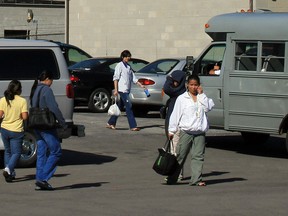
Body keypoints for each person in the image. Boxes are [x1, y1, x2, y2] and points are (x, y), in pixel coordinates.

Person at [166, 75, 214, 186]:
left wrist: (201, 94)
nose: (193, 87)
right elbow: (175, 115)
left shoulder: (203, 98)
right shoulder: (182, 98)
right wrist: (171, 130)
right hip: (186, 131)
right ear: (187, 85)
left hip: (199, 132)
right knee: (180, 155)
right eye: (191, 85)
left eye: (195, 85)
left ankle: (196, 179)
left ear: (199, 85)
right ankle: (172, 178)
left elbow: (208, 107)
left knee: (198, 156)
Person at [30, 70, 67, 190]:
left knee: (42, 153)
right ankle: (43, 179)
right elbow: (54, 108)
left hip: (36, 124)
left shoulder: (35, 89)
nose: (51, 83)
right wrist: (62, 122)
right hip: (46, 125)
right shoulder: (47, 90)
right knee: (56, 151)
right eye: (51, 81)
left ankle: (39, 179)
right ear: (48, 79)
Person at [106, 50, 145, 131]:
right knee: (129, 106)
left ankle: (111, 122)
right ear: (123, 57)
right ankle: (133, 125)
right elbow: (115, 78)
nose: (128, 58)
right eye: (127, 57)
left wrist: (140, 84)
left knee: (119, 107)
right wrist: (116, 90)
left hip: (127, 90)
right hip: (121, 90)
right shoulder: (119, 66)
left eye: (129, 57)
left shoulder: (128, 67)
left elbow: (133, 78)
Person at [0, 80, 28, 182]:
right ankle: (8, 169)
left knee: (7, 151)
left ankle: (10, 174)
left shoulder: (3, 100)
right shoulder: (22, 101)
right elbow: (25, 117)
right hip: (16, 130)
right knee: (16, 153)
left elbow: (0, 115)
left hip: (4, 129)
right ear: (19, 90)